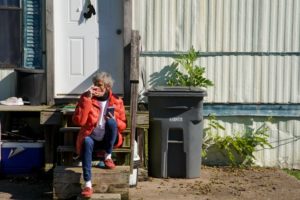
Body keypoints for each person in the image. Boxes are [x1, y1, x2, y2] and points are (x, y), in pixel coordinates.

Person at [72, 72, 127, 198]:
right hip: (91, 137)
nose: (96, 87)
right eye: (94, 84)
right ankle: (87, 184)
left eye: (99, 85)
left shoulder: (117, 101)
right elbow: (79, 121)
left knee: (112, 123)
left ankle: (107, 156)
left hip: (108, 140)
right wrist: (87, 99)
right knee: (86, 141)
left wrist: (115, 119)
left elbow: (123, 125)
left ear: (107, 87)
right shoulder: (86, 98)